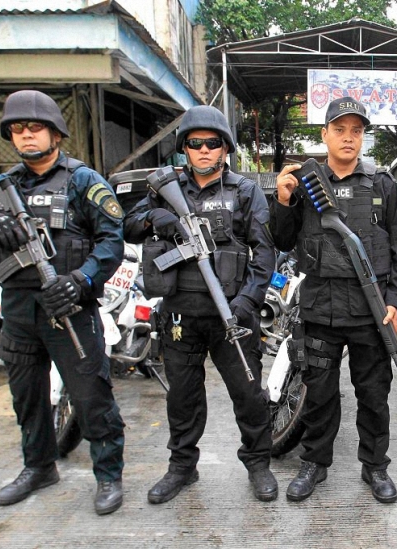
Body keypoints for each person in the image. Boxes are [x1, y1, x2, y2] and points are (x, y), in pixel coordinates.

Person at [0, 90, 126, 515]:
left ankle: (108, 474)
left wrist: (80, 280)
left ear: (55, 132)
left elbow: (111, 241)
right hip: (18, 309)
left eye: (35, 127)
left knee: (91, 396)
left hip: (69, 307)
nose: (26, 135)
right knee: (27, 396)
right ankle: (38, 466)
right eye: (17, 129)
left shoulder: (82, 181)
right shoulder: (2, 187)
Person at [124, 105, 278, 503]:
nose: (205, 150)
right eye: (196, 144)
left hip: (232, 316)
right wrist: (156, 217)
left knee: (248, 393)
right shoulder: (165, 188)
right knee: (183, 397)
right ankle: (182, 468)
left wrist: (246, 303)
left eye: (213, 143)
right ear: (185, 149)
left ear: (225, 148)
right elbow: (129, 225)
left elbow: (264, 254)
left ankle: (258, 462)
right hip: (180, 316)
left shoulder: (244, 191)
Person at [270, 97, 397, 503]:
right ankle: (315, 463)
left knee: (374, 395)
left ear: (363, 137)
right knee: (319, 393)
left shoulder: (381, 184)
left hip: (371, 310)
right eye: (340, 129)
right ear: (324, 134)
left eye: (356, 131)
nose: (348, 138)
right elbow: (281, 240)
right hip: (319, 307)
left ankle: (375, 467)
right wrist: (282, 201)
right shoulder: (303, 183)